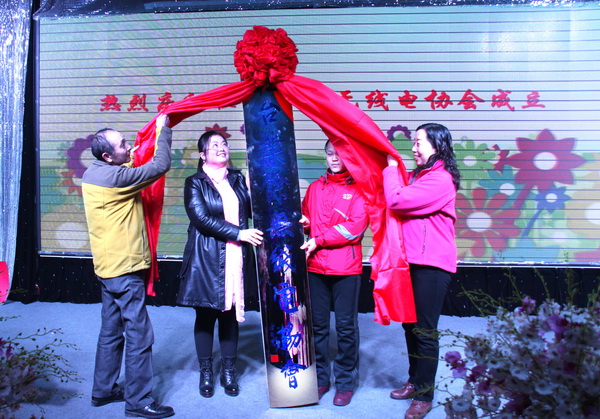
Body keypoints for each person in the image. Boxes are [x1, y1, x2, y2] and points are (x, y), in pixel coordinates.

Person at [82, 114, 175, 419]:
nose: (129, 147)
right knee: (139, 334)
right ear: (108, 157)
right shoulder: (116, 178)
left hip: (108, 268)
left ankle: (103, 389)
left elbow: (128, 167)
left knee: (111, 331)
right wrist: (163, 131)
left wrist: (132, 154)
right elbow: (160, 165)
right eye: (123, 145)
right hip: (125, 270)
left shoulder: (95, 172)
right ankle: (138, 401)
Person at [177, 130, 263, 399]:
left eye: (224, 143)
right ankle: (206, 371)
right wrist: (239, 233)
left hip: (236, 256)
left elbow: (253, 211)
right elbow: (201, 219)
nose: (221, 147)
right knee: (205, 316)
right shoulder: (194, 182)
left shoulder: (237, 179)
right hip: (206, 259)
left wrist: (254, 187)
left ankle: (228, 371)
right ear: (202, 155)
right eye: (214, 145)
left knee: (230, 314)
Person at [383, 123, 460, 419]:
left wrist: (391, 169)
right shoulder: (420, 175)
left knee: (425, 331)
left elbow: (397, 200)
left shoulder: (440, 179)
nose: (413, 148)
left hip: (432, 265)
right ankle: (414, 381)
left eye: (418, 142)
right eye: (413, 142)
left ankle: (424, 395)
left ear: (437, 145)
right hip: (411, 261)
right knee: (410, 326)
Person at [300, 140, 368, 407]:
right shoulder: (315, 188)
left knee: (345, 327)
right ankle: (320, 379)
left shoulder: (359, 189)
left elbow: (355, 228)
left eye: (339, 154)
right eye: (330, 154)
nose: (334, 159)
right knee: (316, 327)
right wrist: (304, 224)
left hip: (346, 268)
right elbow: (307, 219)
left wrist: (318, 239)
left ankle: (345, 382)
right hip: (315, 267)